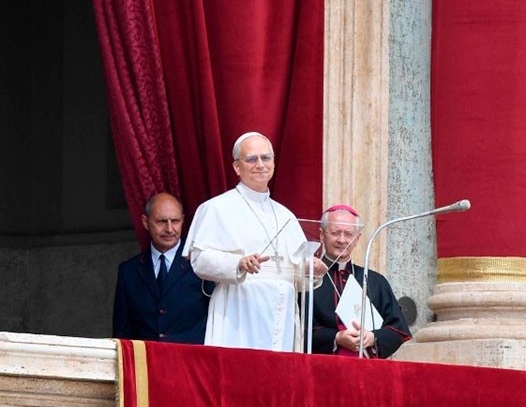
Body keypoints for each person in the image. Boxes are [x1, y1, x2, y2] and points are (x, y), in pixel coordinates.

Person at [183, 132, 326, 351]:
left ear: (273, 163)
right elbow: (199, 260)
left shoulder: (286, 215)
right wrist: (238, 263)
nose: (260, 164)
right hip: (239, 312)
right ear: (236, 167)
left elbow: (297, 275)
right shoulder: (217, 208)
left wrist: (310, 271)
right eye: (251, 159)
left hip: (282, 315)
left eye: (266, 158)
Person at [310, 205, 411, 358]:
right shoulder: (306, 278)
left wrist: (372, 338)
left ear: (357, 239)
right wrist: (336, 338)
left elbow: (398, 329)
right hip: (321, 365)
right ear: (322, 235)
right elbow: (297, 329)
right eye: (335, 233)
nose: (342, 240)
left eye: (348, 234)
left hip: (366, 366)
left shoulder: (375, 281)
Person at [113, 192, 212, 343]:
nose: (169, 229)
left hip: (191, 356)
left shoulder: (200, 262)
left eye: (175, 221)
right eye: (161, 222)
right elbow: (122, 333)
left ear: (183, 220)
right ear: (145, 222)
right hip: (146, 356)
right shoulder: (128, 271)